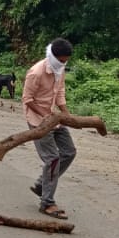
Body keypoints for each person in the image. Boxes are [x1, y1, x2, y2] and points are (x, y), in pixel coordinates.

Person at [23, 38, 76, 220]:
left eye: (65, 60)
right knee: (52, 159)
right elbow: (27, 100)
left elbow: (60, 93)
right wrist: (45, 115)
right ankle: (47, 203)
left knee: (69, 152)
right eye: (60, 60)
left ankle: (41, 185)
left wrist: (66, 114)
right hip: (38, 120)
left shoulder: (59, 70)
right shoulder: (36, 72)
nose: (63, 63)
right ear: (52, 56)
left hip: (55, 118)